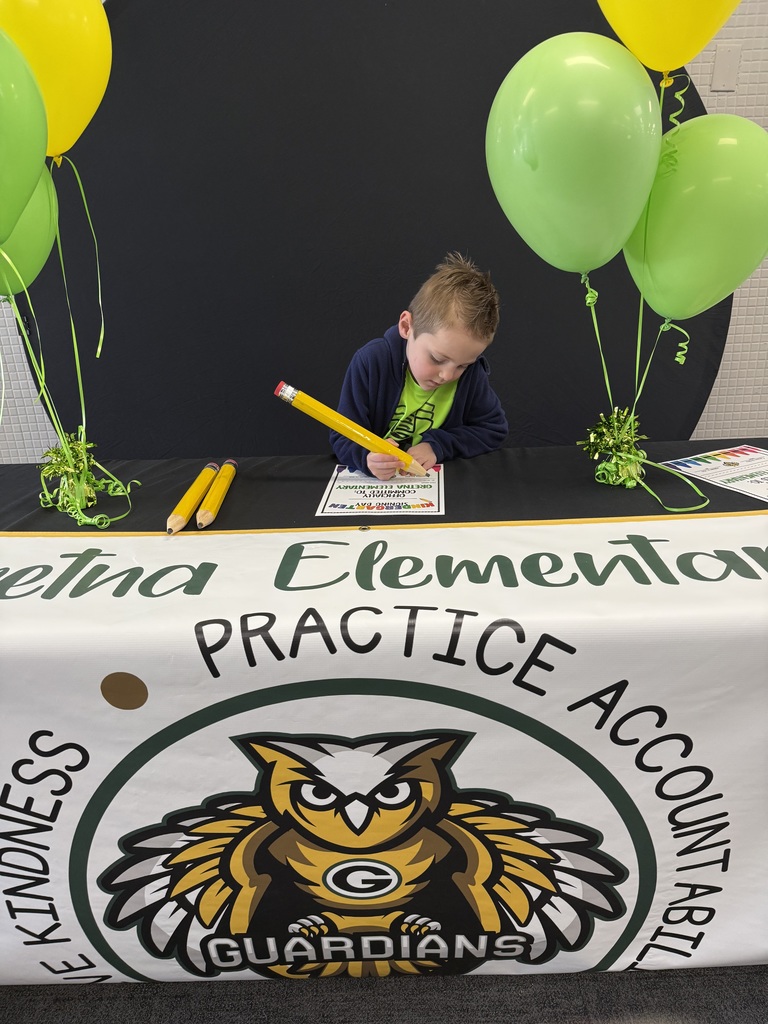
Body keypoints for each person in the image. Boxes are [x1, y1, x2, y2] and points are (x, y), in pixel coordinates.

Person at [330, 252, 508, 479]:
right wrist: (366, 457)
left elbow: (494, 429)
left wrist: (438, 446)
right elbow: (342, 434)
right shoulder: (370, 362)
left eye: (462, 366)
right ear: (406, 327)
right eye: (437, 359)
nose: (447, 375)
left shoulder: (472, 375)